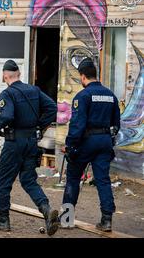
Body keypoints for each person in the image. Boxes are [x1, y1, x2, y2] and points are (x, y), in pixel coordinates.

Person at [0, 59, 59, 236]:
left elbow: (7, 116)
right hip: (32, 142)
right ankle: (46, 209)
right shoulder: (34, 90)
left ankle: (3, 220)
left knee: (4, 181)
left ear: (5, 76)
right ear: (19, 74)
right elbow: (52, 107)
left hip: (14, 143)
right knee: (28, 180)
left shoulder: (7, 94)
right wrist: (39, 126)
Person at [62, 58, 120, 232]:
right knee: (103, 180)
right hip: (104, 142)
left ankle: (67, 219)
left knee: (73, 178)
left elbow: (77, 125)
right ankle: (107, 220)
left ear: (83, 76)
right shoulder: (111, 95)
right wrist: (108, 141)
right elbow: (116, 124)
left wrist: (70, 146)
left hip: (85, 142)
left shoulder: (83, 96)